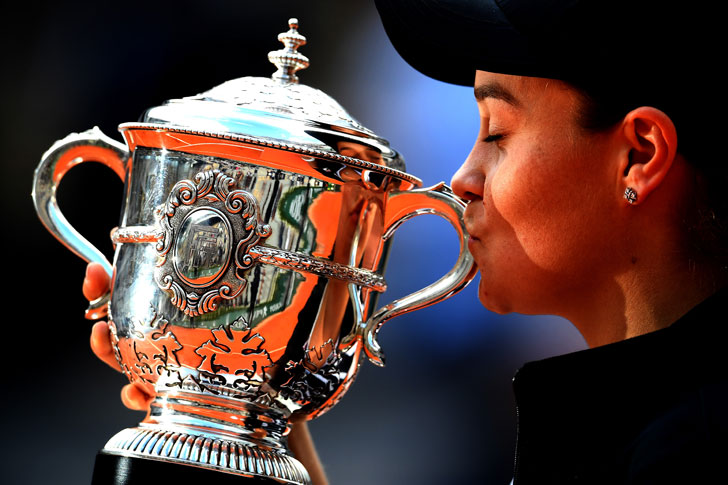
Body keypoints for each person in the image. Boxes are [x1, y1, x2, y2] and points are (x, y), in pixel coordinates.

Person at [84, 0, 728, 483]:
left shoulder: (689, 451)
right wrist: (254, 404)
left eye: (497, 132)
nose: (462, 178)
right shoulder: (649, 420)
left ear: (638, 154)